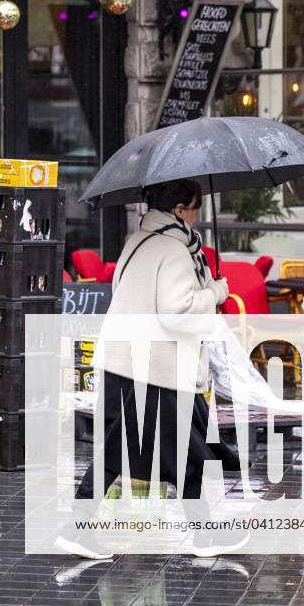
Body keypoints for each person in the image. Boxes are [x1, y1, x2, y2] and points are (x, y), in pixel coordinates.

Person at [55, 179, 249, 560]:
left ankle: (202, 535)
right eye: (194, 207)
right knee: (180, 456)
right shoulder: (174, 251)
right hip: (156, 371)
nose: (198, 215)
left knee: (155, 454)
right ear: (179, 209)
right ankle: (79, 530)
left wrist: (206, 285)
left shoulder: (139, 241)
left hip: (126, 364)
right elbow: (176, 311)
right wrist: (216, 293)